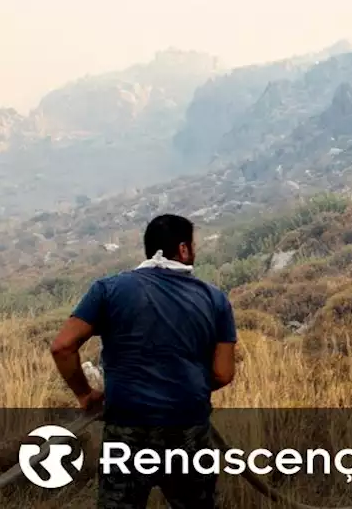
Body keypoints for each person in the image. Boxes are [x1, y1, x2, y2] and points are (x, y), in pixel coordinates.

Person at [50, 214, 236, 509]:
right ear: (184, 249)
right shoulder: (214, 299)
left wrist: (85, 395)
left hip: (126, 427)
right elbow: (224, 374)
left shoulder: (108, 289)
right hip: (188, 427)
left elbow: (62, 346)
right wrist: (185, 387)